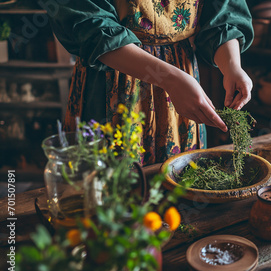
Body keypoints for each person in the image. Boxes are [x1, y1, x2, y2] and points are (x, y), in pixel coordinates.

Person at [48, 0, 254, 165]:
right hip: (113, 77)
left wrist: (232, 67)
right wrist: (170, 80)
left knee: (179, 187)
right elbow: (88, 22)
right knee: (110, 195)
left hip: (184, 85)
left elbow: (223, 13)